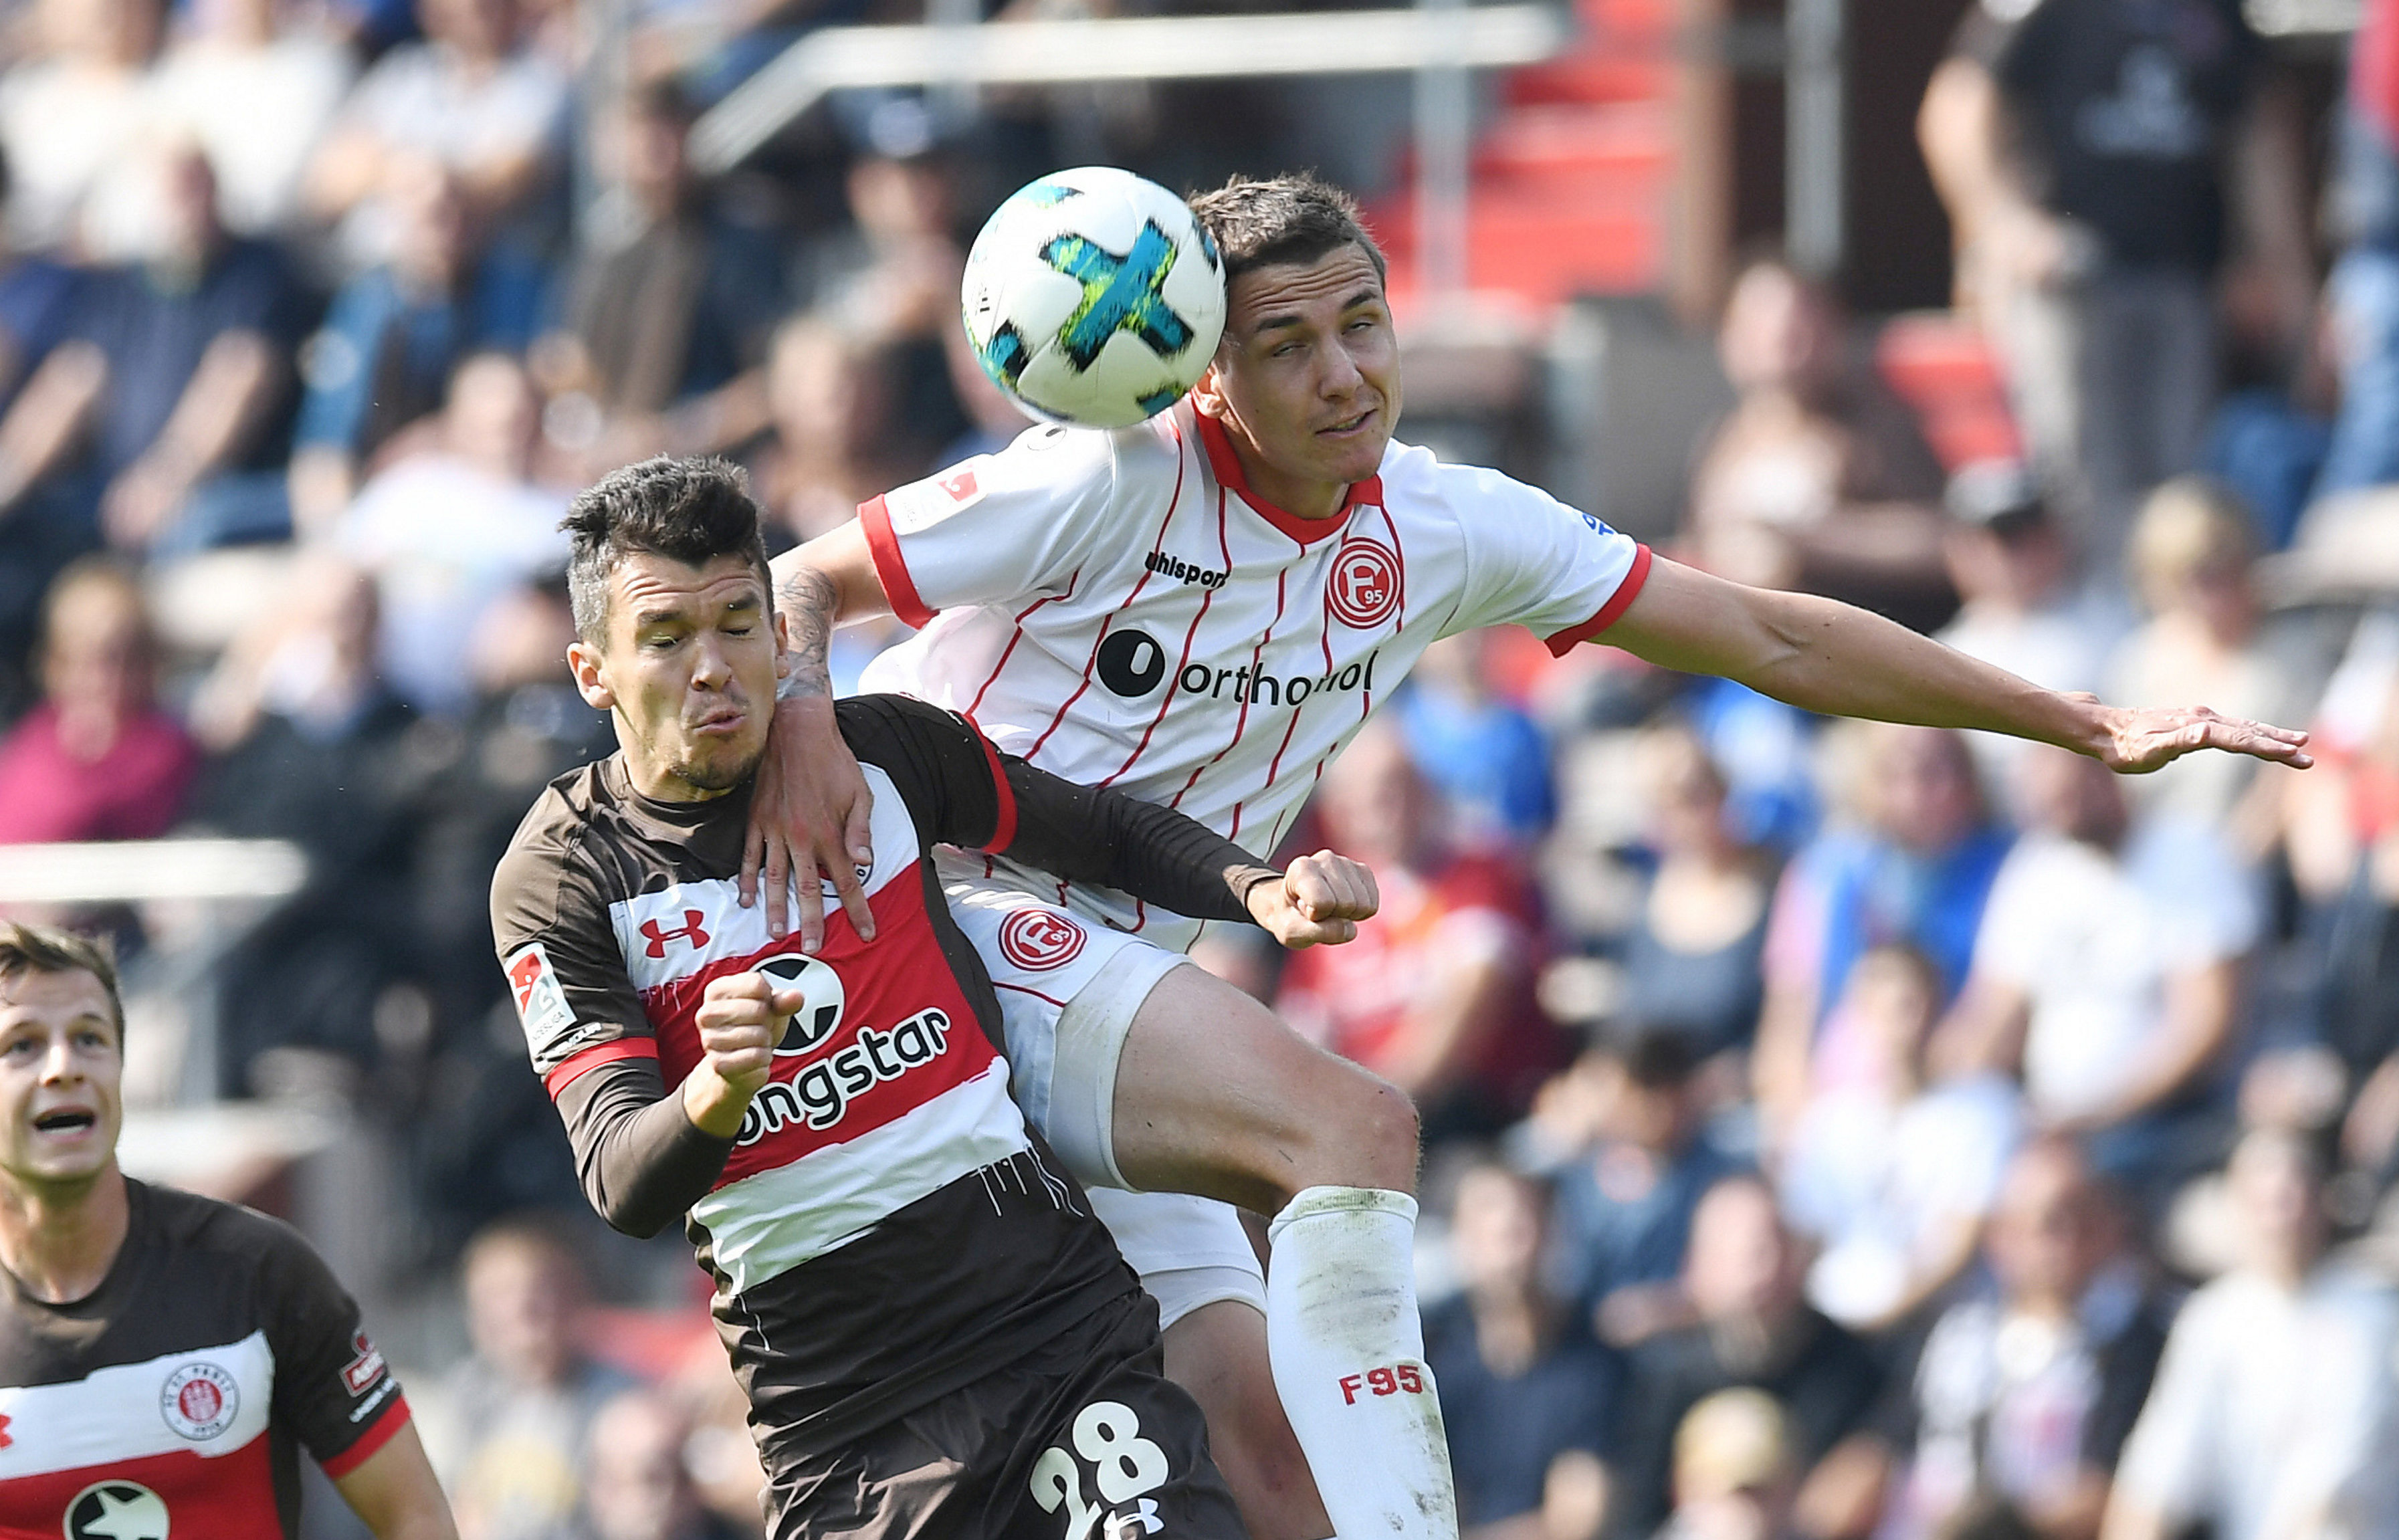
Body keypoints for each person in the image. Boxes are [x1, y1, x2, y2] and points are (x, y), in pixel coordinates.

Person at [747, 172, 2308, 1540]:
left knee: (1272, 1470)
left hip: (1105, 977)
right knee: (1349, 1128)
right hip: (919, 924)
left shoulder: (1444, 525)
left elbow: (1760, 627)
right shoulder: (1106, 479)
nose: (1343, 372)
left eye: (1362, 322)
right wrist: (808, 741)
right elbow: (799, 580)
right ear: (1208, 382)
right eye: (1285, 345)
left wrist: (2074, 721)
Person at [490, 455, 1378, 1540]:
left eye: (739, 622)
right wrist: (718, 1090)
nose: (715, 667)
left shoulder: (881, 750)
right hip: (843, 1414)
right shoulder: (564, 873)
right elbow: (620, 1176)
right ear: (594, 670)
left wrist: (1257, 887)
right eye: (668, 639)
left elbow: (1097, 828)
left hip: (1053, 1333)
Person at [0, 921, 455, 1537]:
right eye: (21, 1045)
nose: (64, 1067)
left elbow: (416, 1516)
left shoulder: (257, 1269)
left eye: (89, 1038)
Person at [1916, 0, 2311, 580]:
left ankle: (2160, 620)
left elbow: (2257, 138)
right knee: (2077, 474)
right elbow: (1955, 108)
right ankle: (2094, 617)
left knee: (2181, 477)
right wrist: (2003, 224)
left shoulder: (2216, 13)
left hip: (2181, 279)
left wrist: (2279, 271)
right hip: (2074, 279)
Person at [1934, 746, 2260, 1196]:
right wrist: (1946, 1092)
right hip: (2055, 1122)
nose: (2057, 812)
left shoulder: (2188, 853)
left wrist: (2095, 1114)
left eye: (2066, 794)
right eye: (2045, 802)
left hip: (2167, 1122)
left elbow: (2204, 1027)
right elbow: (1994, 1014)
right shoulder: (2035, 868)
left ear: (2106, 777)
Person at [2102, 1127, 2399, 1540]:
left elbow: (2336, 1479)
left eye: (2294, 1196)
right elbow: (2155, 1481)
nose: (2283, 1217)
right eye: (2266, 1201)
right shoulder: (2212, 1322)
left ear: (2323, 1202)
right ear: (2236, 1206)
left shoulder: (2376, 1314)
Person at [1871, 1137, 2173, 1540]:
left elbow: (2115, 1493)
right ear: (2000, 1237)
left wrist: (1996, 1527)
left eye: (2081, 1218)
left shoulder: (2134, 1344)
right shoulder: (1955, 1336)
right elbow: (1881, 1446)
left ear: (2109, 1229)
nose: (2065, 1240)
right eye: (2047, 1223)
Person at [1275, 718, 1556, 1135]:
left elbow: (1470, 1002)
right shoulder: (1325, 902)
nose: (1383, 810)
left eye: (1396, 788)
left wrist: (1372, 1111)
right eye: (1362, 798)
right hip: (1359, 1114)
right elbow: (1301, 1030)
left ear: (1425, 791)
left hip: (1467, 1113)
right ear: (1336, 812)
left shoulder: (1478, 873)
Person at [1606, 1176, 1885, 1540]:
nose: (1762, 1271)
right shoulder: (1664, 1374)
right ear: (1696, 1266)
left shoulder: (1854, 1369)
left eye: (1774, 1246)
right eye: (1741, 1253)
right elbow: (1631, 1515)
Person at [1422, 1159, 1618, 1540]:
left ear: (1552, 1234)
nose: (1508, 1241)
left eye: (1522, 1224)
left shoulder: (1593, 1358)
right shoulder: (1426, 1352)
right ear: (1460, 1237)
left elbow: (1578, 1519)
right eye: (1489, 1226)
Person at [421, 1219, 637, 1540]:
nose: (518, 1309)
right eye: (497, 1296)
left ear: (574, 1302)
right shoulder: (463, 1396)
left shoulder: (616, 1400)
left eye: (537, 1295)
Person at [0, 557, 199, 844]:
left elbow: (117, 820)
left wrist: (89, 763)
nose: (104, 680)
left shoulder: (166, 747)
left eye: (125, 659)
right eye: (83, 660)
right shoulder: (36, 737)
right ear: (54, 665)